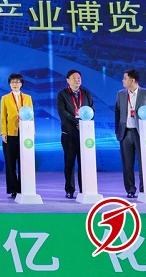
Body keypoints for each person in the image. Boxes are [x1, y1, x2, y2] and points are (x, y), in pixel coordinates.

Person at [113, 68, 146, 199]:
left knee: (144, 162)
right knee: (127, 164)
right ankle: (130, 189)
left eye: (125, 78)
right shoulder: (121, 94)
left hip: (142, 134)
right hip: (125, 133)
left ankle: (144, 188)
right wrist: (117, 132)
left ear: (132, 80)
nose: (123, 80)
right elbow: (117, 114)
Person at [56, 69, 93, 199]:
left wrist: (83, 122)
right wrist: (77, 121)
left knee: (84, 163)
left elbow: (92, 110)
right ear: (68, 80)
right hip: (69, 133)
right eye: (74, 78)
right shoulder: (62, 94)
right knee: (69, 163)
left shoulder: (86, 93)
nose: (77, 80)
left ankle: (84, 189)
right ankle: (69, 189)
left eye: (79, 78)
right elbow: (62, 112)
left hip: (84, 135)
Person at [0, 73, 33, 199]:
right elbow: (3, 116)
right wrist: (3, 132)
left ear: (21, 84)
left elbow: (31, 115)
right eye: (13, 82)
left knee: (24, 162)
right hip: (10, 133)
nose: (15, 84)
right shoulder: (5, 98)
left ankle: (23, 187)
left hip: (25, 134)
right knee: (10, 162)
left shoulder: (28, 98)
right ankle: (13, 189)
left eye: (17, 82)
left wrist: (32, 132)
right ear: (9, 84)